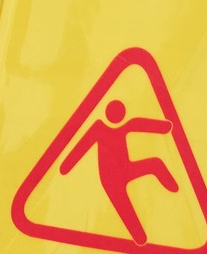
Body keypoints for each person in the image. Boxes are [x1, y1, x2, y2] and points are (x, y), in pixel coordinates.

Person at [61, 95, 178, 244]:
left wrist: (165, 126)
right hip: (110, 179)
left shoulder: (125, 126)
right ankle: (140, 238)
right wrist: (66, 167)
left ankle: (174, 189)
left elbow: (142, 124)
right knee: (125, 208)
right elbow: (81, 148)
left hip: (126, 169)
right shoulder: (98, 128)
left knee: (155, 164)